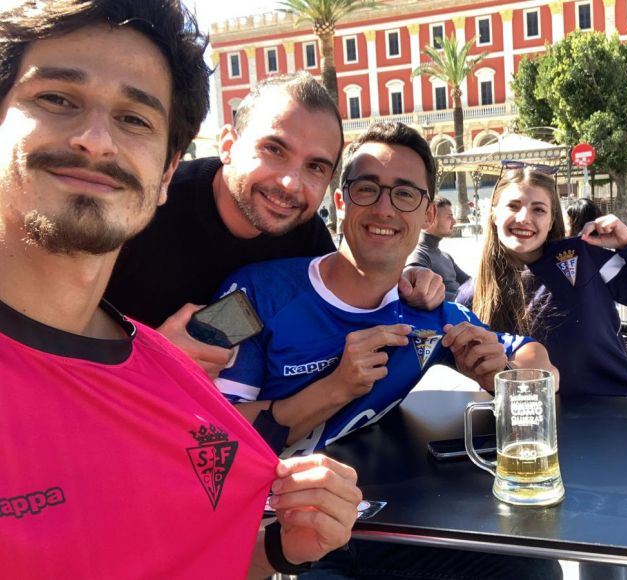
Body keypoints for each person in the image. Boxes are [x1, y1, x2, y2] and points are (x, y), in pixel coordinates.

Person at [0, 1, 361, 576]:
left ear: (164, 170)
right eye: (58, 99)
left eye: (134, 120)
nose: (96, 141)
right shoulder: (137, 222)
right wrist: (153, 361)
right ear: (226, 143)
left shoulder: (308, 244)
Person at [212, 121, 562, 578]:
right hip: (283, 534)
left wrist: (503, 375)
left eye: (404, 194)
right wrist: (336, 386)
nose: (384, 209)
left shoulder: (429, 310)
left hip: (386, 522)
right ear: (340, 203)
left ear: (426, 214)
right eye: (367, 189)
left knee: (534, 570)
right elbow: (207, 439)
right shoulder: (249, 291)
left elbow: (534, 356)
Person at [104, 72, 443, 378]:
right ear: (228, 145)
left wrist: (412, 278)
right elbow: (55, 335)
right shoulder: (140, 211)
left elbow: (348, 290)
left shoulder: (304, 235)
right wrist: (147, 356)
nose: (291, 184)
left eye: (315, 167)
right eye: (274, 149)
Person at [457, 167, 627, 396]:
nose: (524, 218)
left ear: (551, 221)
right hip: (529, 425)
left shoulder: (583, 257)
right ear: (494, 213)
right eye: (513, 206)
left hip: (616, 414)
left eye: (538, 210)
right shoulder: (473, 295)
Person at [406, 195, 471, 300]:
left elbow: (470, 283)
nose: (454, 221)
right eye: (449, 216)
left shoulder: (445, 256)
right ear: (431, 217)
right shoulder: (419, 255)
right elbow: (421, 295)